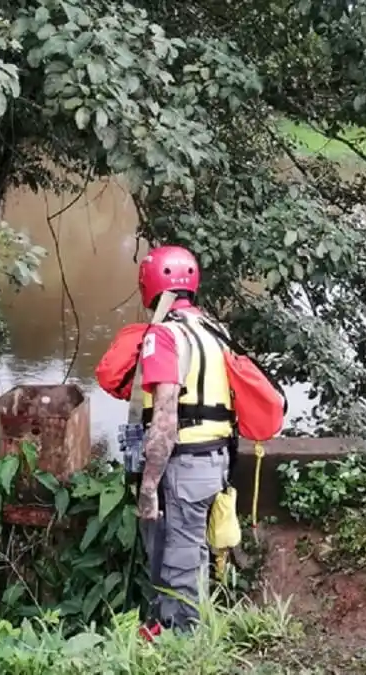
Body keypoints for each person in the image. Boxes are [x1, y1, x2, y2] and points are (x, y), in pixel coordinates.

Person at [133, 245, 235, 636]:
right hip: (217, 462)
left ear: (151, 286)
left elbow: (164, 419)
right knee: (196, 552)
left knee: (178, 560)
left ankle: (183, 644)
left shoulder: (165, 336)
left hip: (185, 466)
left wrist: (147, 487)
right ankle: (182, 629)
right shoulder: (215, 331)